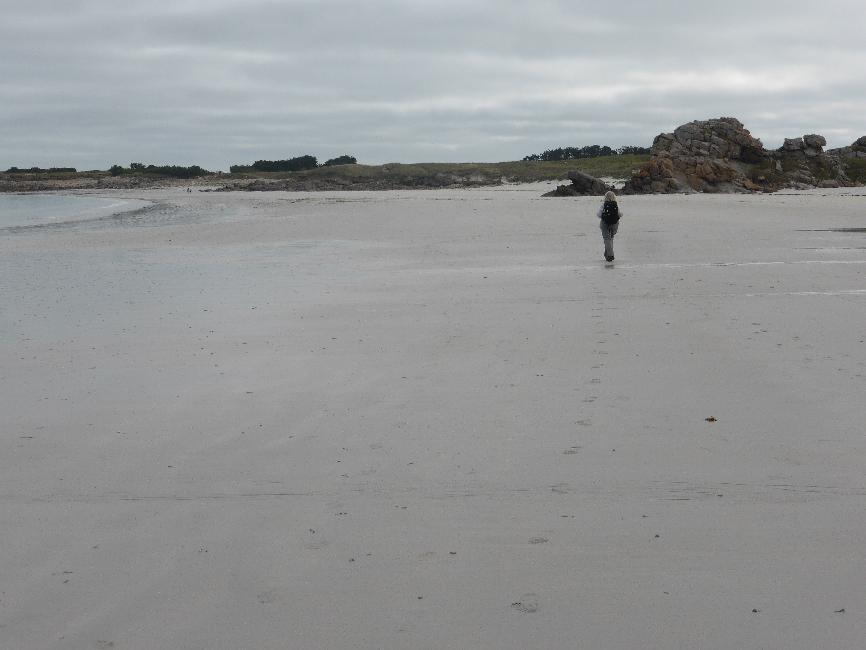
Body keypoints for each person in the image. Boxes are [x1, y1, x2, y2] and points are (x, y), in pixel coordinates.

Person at [597, 190, 621, 262]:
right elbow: (620, 214)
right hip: (614, 224)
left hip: (605, 223)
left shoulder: (604, 204)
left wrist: (604, 217)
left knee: (607, 239)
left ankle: (610, 255)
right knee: (611, 239)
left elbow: (598, 214)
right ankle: (607, 254)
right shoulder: (616, 204)